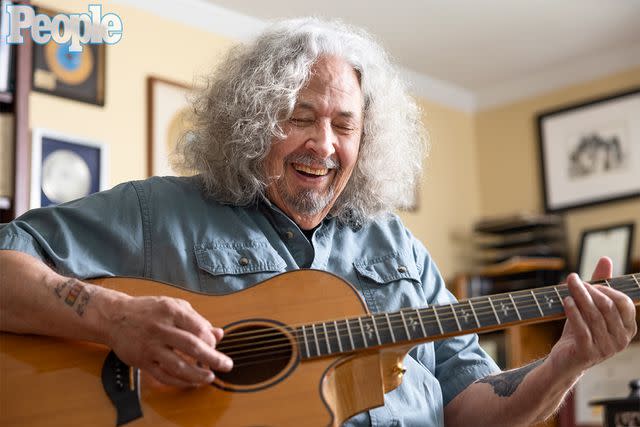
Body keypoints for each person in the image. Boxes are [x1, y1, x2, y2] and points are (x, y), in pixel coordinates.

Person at [0, 18, 636, 427]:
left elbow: (470, 407)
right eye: (300, 117)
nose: (323, 145)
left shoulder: (400, 250)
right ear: (252, 120)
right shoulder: (156, 213)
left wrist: (566, 364)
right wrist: (112, 317)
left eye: (344, 124)